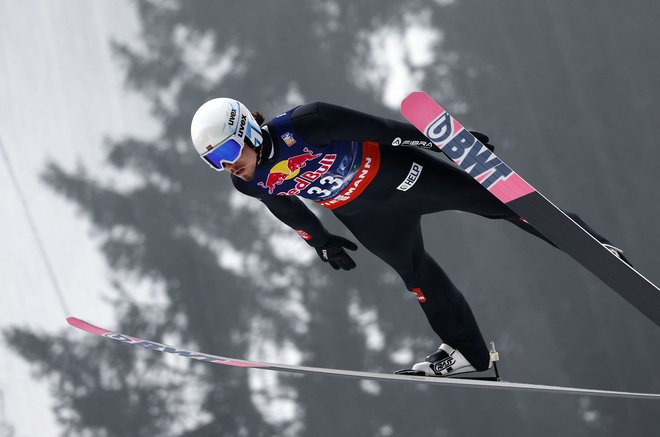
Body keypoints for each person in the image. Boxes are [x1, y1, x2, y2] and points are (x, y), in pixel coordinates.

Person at [190, 97, 628, 377]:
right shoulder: (248, 181)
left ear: (246, 128)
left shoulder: (307, 123)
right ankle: (467, 353)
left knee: (499, 203)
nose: (229, 167)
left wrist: (440, 143)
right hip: (366, 216)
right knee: (416, 276)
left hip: (403, 177)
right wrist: (318, 238)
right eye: (216, 164)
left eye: (228, 153)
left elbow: (382, 130)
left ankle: (590, 246)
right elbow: (281, 203)